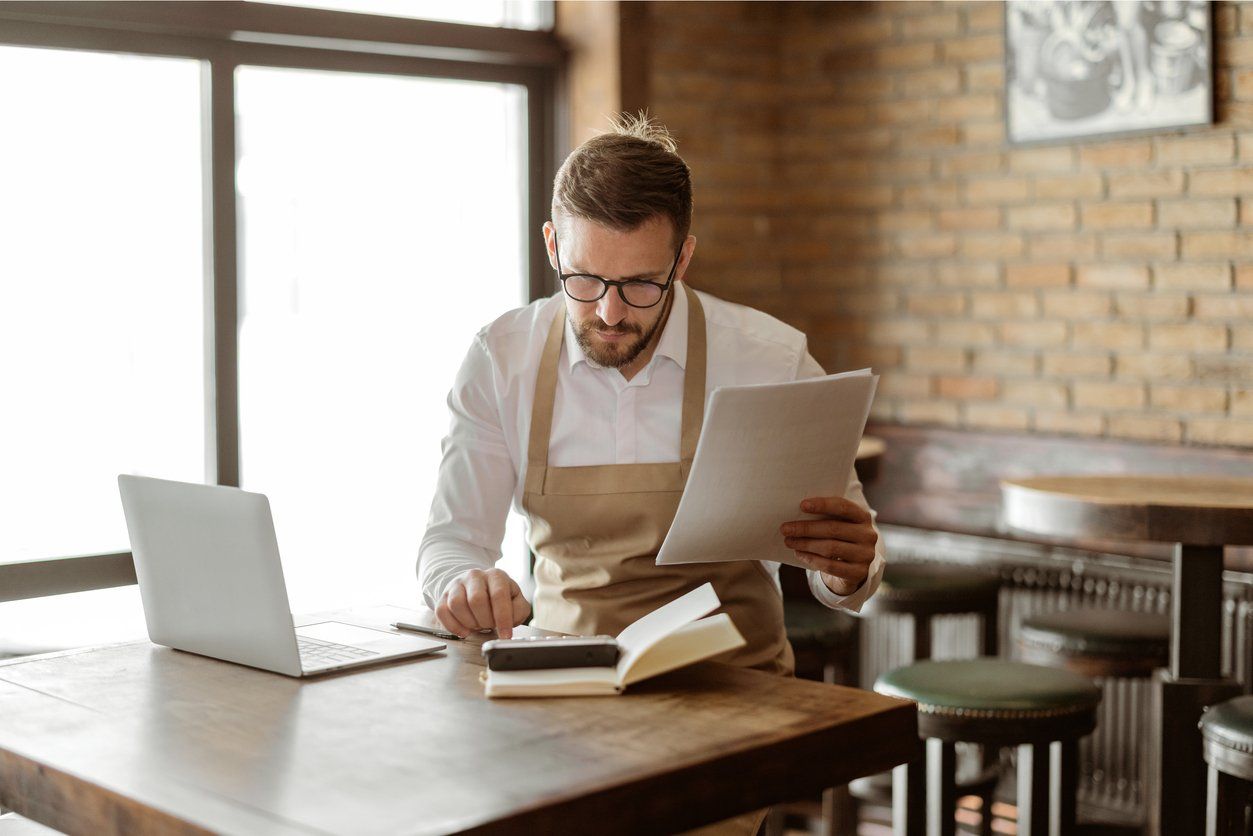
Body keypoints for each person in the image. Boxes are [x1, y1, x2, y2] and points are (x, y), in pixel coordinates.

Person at [418, 113, 886, 677]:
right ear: (552, 247)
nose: (609, 314)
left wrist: (847, 572)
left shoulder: (772, 360)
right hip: (568, 686)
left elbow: (850, 568)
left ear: (682, 260)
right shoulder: (501, 359)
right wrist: (464, 584)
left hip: (742, 691)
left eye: (640, 283)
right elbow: (451, 542)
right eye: (584, 281)